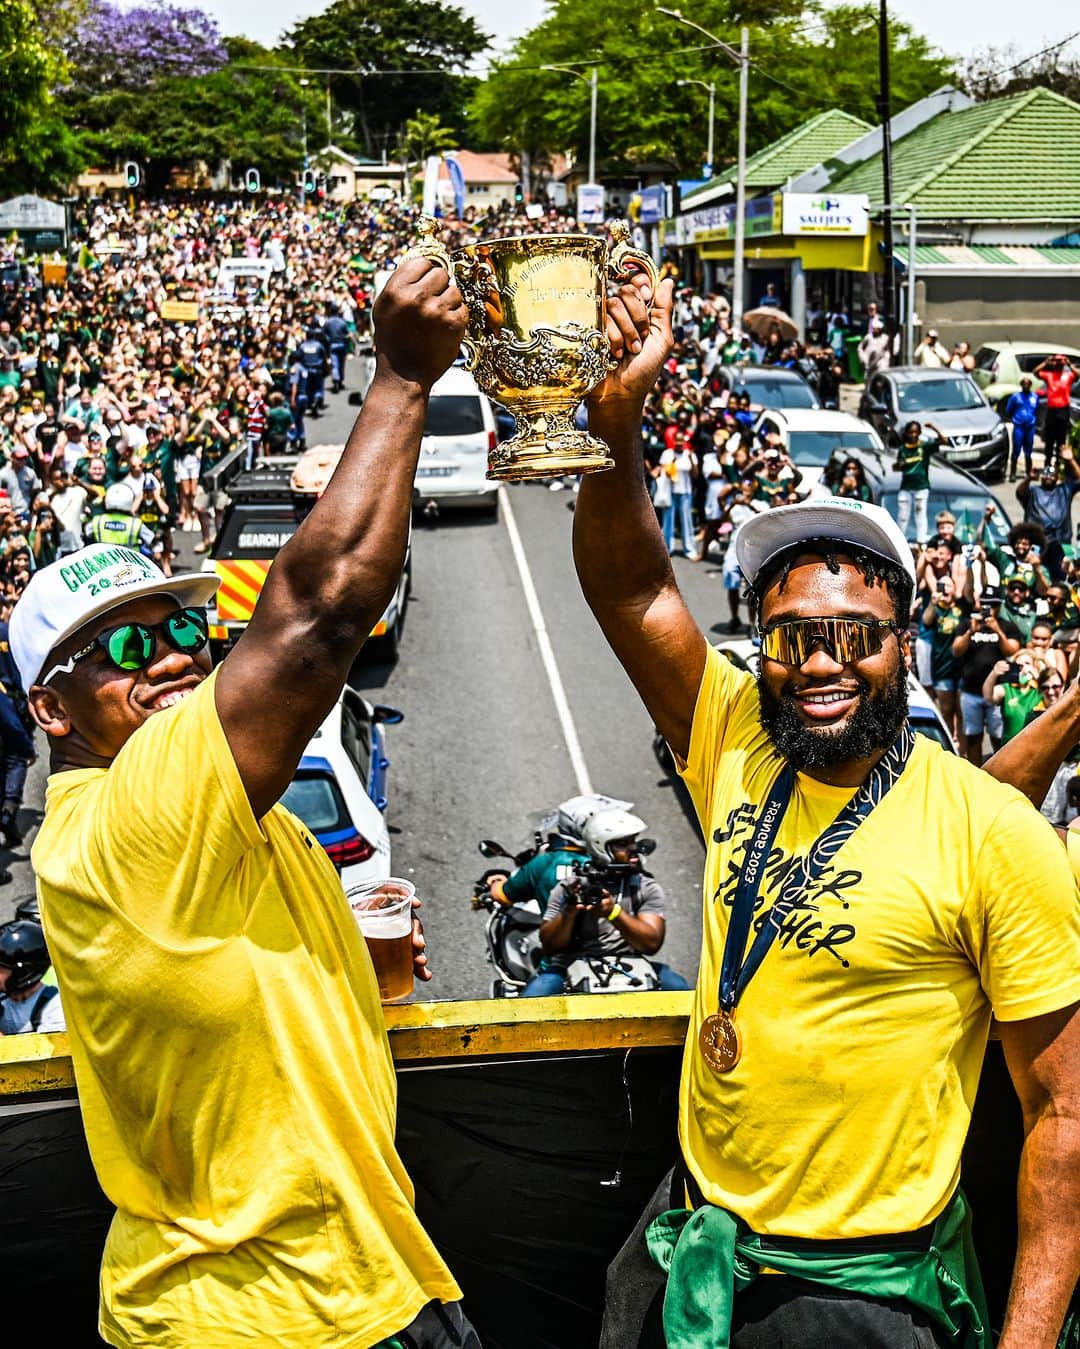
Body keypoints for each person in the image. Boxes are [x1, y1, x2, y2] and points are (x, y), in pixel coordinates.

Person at [572, 271, 1079, 1348]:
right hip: (692, 1245)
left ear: (905, 644)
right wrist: (616, 420)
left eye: (855, 632)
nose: (819, 661)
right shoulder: (736, 742)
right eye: (792, 633)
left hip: (862, 1297)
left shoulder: (994, 833)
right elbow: (632, 593)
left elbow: (1065, 1118)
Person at [12, 260, 480, 1347]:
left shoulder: (209, 815)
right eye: (127, 645)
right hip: (265, 1318)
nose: (172, 655)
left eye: (184, 627)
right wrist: (403, 379)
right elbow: (318, 616)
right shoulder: (126, 821)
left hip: (365, 1280)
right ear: (52, 706)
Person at [521, 805, 690, 997]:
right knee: (532, 998)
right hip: (568, 966)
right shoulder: (569, 886)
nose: (634, 849)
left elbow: (651, 944)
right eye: (623, 844)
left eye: (633, 841)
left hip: (630, 963)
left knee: (683, 993)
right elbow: (550, 946)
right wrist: (569, 912)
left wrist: (614, 913)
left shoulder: (646, 887)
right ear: (601, 846)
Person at [951, 585, 1021, 764]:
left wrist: (997, 630)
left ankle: (999, 772)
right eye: (985, 604)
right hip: (970, 692)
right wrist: (970, 632)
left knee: (998, 738)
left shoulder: (1007, 626)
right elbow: (956, 651)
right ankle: (976, 773)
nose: (988, 609)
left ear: (999, 606)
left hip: (996, 694)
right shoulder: (967, 624)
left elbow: (1012, 650)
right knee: (973, 737)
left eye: (993, 605)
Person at [1015, 442, 1080, 581]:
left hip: (1061, 543)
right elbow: (1020, 492)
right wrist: (1029, 478)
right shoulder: (1033, 492)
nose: (1049, 477)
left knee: (1062, 580)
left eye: (1052, 475)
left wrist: (1070, 460)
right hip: (1038, 545)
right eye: (1046, 474)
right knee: (1034, 578)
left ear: (1057, 478)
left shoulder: (1064, 490)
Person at [920, 572, 968, 752]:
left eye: (948, 585)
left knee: (962, 713)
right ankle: (949, 750)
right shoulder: (936, 608)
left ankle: (962, 753)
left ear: (955, 589)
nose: (945, 589)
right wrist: (933, 601)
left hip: (962, 669)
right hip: (942, 668)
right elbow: (926, 620)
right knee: (946, 711)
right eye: (941, 585)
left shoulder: (962, 607)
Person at [0, 919, 65, 1034]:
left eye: (1, 970)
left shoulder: (55, 1009)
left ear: (23, 973)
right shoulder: (4, 995)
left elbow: (44, 1051)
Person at [893, 418, 944, 544]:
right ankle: (899, 542)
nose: (913, 435)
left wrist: (933, 427)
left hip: (921, 486)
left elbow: (944, 441)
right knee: (903, 516)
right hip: (906, 487)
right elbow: (896, 468)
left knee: (920, 514)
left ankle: (921, 542)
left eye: (916, 432)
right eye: (910, 432)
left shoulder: (924, 447)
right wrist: (899, 465)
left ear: (920, 433)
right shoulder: (903, 449)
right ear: (906, 433)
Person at [983, 651, 1045, 743]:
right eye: (1018, 664)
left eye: (1027, 663)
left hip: (1034, 744)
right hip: (1010, 746)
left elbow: (1056, 699)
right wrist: (994, 674)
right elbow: (988, 697)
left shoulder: (1041, 689)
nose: (1022, 667)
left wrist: (1039, 679)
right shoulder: (1007, 688)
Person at [1033, 354, 1079, 461]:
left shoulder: (1068, 376)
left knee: (1061, 439)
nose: (1058, 363)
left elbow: (1078, 375)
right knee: (1049, 438)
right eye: (1057, 361)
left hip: (1063, 410)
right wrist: (1046, 362)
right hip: (1052, 410)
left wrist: (1069, 364)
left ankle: (1059, 462)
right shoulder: (1049, 375)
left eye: (1060, 361)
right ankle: (1048, 463)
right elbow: (1035, 372)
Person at [1004, 377, 1039, 481]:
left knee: (1028, 451)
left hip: (1030, 427)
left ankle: (1029, 472)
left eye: (1028, 384)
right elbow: (1008, 410)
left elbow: (1036, 409)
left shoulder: (1035, 397)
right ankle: (1013, 473)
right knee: (1016, 450)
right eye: (1024, 384)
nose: (1026, 386)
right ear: (1021, 385)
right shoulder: (1016, 397)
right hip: (1019, 427)